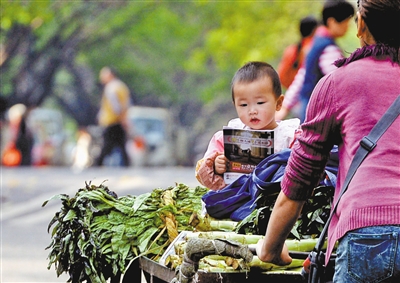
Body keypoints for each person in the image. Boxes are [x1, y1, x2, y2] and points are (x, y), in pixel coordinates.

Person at [256, 0, 400, 281]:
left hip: (366, 233)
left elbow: (300, 178)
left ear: (360, 25)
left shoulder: (338, 82)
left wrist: (270, 249)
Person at [195, 61, 301, 191]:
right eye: (244, 105)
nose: (252, 111)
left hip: (276, 201)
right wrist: (216, 166)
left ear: (278, 103)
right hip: (238, 200)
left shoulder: (290, 137)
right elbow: (204, 173)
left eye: (260, 102)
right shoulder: (227, 137)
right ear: (235, 106)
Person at [276, 0, 355, 121]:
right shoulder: (328, 48)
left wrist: (286, 106)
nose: (347, 27)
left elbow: (302, 76)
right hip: (320, 117)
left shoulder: (316, 42)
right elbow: (341, 83)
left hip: (308, 111)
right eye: (345, 22)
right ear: (332, 22)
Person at [95, 66, 131, 167]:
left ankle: (98, 164)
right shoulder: (122, 86)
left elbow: (115, 105)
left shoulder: (111, 87)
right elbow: (127, 103)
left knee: (108, 144)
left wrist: (120, 116)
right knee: (120, 144)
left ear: (110, 75)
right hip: (119, 120)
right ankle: (127, 164)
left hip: (112, 121)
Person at [277, 15, 318, 90]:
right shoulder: (314, 48)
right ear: (315, 30)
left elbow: (281, 76)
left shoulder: (291, 50)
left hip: (295, 93)